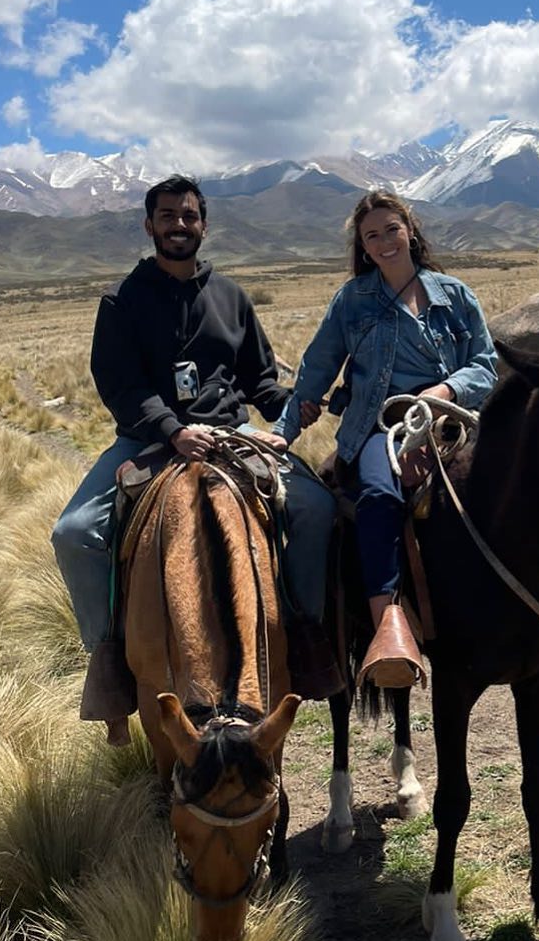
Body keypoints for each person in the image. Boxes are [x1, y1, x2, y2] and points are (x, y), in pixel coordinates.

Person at [51, 175, 343, 744]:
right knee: (75, 533)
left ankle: (304, 636)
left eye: (188, 216)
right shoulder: (121, 301)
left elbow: (259, 379)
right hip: (148, 440)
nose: (178, 225)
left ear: (203, 225)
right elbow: (118, 383)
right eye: (167, 216)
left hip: (233, 434)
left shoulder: (231, 296)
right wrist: (172, 429)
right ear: (149, 225)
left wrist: (294, 405)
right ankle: (109, 665)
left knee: (315, 507)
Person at [276, 190, 497, 688]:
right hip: (380, 425)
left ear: (410, 231)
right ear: (363, 246)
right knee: (378, 496)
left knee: (518, 480)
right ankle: (388, 628)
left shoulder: (455, 295)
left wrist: (444, 389)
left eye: (391, 229)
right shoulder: (353, 301)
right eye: (371, 236)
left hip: (451, 417)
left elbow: (486, 364)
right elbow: (315, 372)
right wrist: (281, 436)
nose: (383, 242)